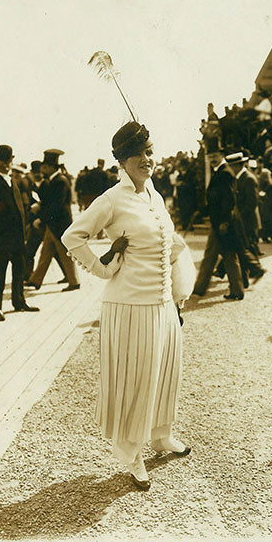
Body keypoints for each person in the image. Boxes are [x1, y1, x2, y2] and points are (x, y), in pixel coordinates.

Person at [61, 121, 195, 491]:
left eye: (150, 151)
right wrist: (102, 268)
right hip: (130, 307)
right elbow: (72, 236)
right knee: (135, 381)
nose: (146, 159)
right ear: (121, 159)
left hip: (163, 303)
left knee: (166, 373)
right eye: (138, 153)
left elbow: (171, 242)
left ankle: (161, 435)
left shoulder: (154, 195)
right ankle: (131, 453)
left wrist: (178, 290)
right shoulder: (110, 199)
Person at [0, 144, 40, 321]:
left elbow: (19, 207)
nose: (5, 164)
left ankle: (19, 302)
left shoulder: (13, 180)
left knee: (19, 270)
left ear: (12, 161)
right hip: (0, 238)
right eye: (2, 161)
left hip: (17, 237)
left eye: (8, 161)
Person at [192, 152, 247, 300]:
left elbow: (229, 200)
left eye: (215, 156)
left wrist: (225, 222)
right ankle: (235, 290)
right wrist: (203, 210)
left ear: (222, 155)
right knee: (226, 256)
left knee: (217, 256)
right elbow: (215, 199)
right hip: (219, 222)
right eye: (210, 157)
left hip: (222, 223)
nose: (212, 160)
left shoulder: (225, 173)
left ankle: (200, 288)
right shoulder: (221, 172)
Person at [25, 149, 80, 291]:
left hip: (60, 224)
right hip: (53, 223)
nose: (42, 169)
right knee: (46, 253)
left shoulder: (60, 181)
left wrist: (41, 220)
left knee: (64, 252)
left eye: (44, 166)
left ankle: (74, 282)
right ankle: (35, 280)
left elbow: (55, 206)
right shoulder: (54, 180)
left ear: (51, 167)